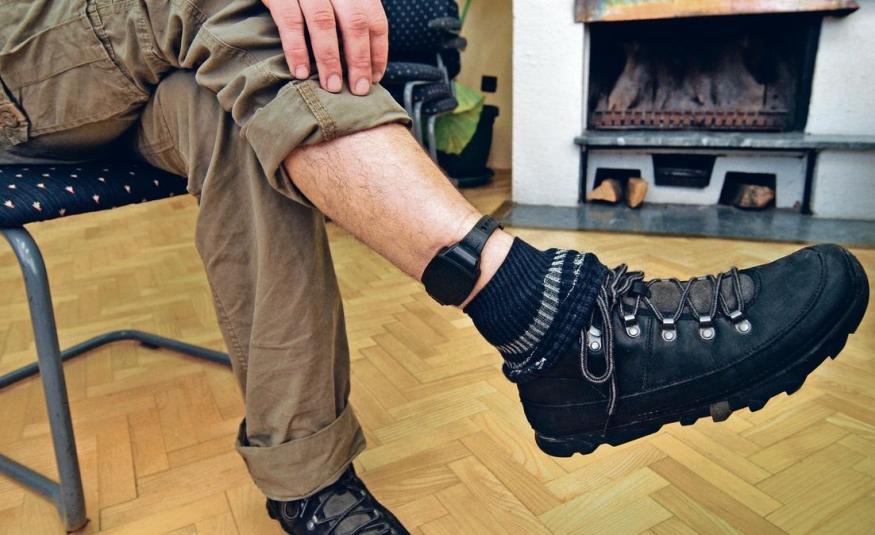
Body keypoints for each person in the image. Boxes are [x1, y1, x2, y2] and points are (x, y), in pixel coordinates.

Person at [0, 1, 868, 534]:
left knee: (238, 111)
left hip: (121, 78)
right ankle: (556, 322)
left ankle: (305, 479)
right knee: (260, 10)